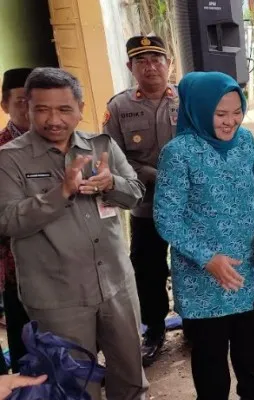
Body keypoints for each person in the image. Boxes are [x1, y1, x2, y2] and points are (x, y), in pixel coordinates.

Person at [0, 67, 148, 400]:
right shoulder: (9, 160)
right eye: (42, 109)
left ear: (80, 108)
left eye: (64, 109)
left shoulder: (101, 145)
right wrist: (61, 192)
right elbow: (7, 220)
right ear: (28, 108)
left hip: (116, 286)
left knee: (131, 375)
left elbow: (136, 193)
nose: (54, 119)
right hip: (57, 297)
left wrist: (112, 183)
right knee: (73, 385)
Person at [153, 71, 254, 400]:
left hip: (246, 269)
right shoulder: (178, 153)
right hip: (203, 280)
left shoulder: (246, 142)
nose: (231, 122)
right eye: (220, 114)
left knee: (248, 339)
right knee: (210, 354)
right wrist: (206, 258)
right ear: (198, 110)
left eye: (236, 112)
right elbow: (167, 217)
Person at [104, 35, 178, 366]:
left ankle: (195, 321)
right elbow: (112, 156)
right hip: (145, 204)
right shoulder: (118, 108)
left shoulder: (187, 99)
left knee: (192, 263)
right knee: (147, 269)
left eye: (157, 59)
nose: (151, 66)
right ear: (130, 67)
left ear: (169, 63)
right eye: (142, 61)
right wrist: (150, 173)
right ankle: (155, 330)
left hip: (189, 205)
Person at [0, 68, 33, 374]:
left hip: (66, 266)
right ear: (4, 105)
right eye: (21, 100)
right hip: (16, 267)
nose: (30, 108)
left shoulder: (65, 146)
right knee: (26, 347)